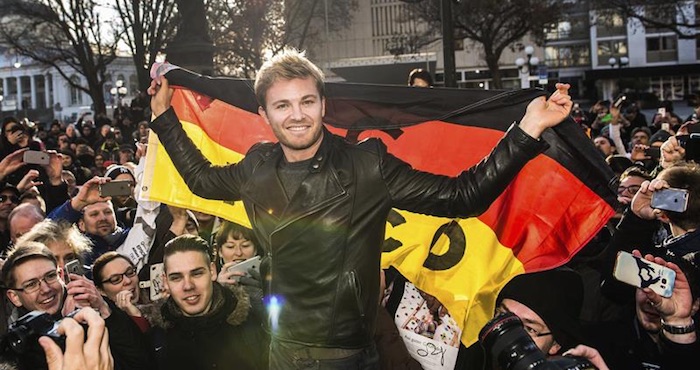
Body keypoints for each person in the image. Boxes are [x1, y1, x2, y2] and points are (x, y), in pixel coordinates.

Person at [148, 48, 573, 369]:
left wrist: (529, 127)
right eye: (283, 105)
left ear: (323, 104)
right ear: (265, 114)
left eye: (307, 102)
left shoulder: (366, 164)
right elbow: (202, 180)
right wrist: (164, 116)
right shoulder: (256, 166)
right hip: (280, 349)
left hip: (345, 354)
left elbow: (463, 195)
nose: (297, 116)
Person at [1, 242, 154, 370]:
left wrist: (104, 310)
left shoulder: (92, 311)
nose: (46, 289)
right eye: (31, 284)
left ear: (61, 275)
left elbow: (143, 363)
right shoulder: (15, 350)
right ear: (14, 297)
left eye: (50, 276)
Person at [144, 234, 268, 370]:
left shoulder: (254, 321)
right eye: (176, 277)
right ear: (165, 281)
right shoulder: (155, 339)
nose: (188, 286)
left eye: (196, 273)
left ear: (212, 271)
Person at [459, 267, 596, 369]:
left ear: (555, 345)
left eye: (529, 329)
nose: (508, 338)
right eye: (503, 317)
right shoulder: (462, 354)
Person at [92, 252, 149, 332]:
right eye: (116, 279)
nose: (128, 281)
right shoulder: (106, 326)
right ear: (101, 291)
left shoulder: (158, 298)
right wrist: (135, 317)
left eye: (130, 273)